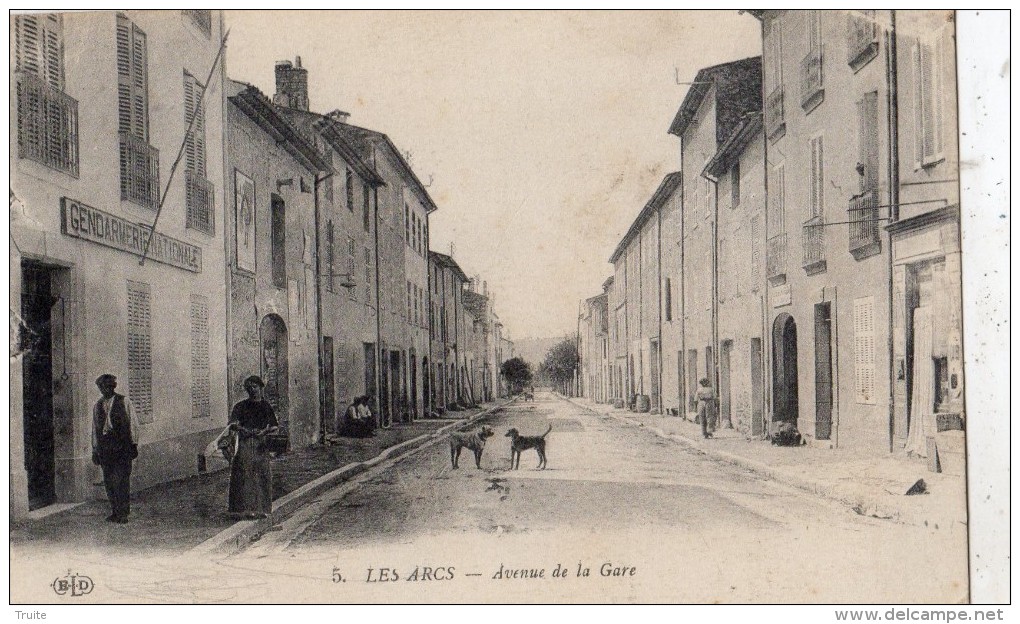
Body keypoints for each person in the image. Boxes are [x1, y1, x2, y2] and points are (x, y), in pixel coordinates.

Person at [228, 375, 279, 519]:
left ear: (261, 387)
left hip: (260, 445)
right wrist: (242, 429)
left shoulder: (266, 406)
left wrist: (264, 431)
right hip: (244, 443)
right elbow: (232, 424)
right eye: (249, 387)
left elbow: (275, 426)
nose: (252, 390)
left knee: (261, 475)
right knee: (244, 475)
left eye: (255, 387)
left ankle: (261, 509)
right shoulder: (240, 406)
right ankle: (243, 510)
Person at [92, 374, 140, 524]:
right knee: (109, 481)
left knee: (121, 480)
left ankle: (123, 512)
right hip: (105, 448)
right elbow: (95, 429)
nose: (104, 390)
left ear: (113, 387)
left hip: (122, 446)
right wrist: (95, 450)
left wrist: (134, 444)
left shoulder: (124, 401)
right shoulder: (97, 406)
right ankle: (115, 511)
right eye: (101, 388)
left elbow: (133, 423)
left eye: (107, 387)